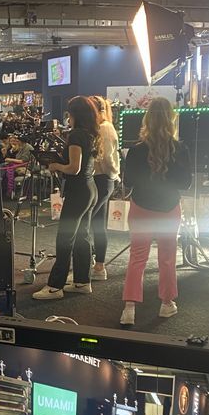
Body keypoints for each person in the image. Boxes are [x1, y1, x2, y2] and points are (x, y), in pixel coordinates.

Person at [120, 97, 192, 326]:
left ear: (147, 119)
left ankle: (129, 308)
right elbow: (185, 183)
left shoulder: (136, 150)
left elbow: (128, 182)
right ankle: (166, 303)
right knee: (167, 258)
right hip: (169, 209)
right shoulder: (180, 149)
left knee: (137, 258)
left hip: (141, 208)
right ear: (171, 119)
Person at [33, 96, 100, 301]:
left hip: (78, 191)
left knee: (65, 238)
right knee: (82, 236)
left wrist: (56, 166)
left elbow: (73, 168)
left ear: (74, 114)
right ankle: (82, 281)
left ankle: (55, 286)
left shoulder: (76, 135)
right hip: (89, 189)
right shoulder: (90, 133)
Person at [89, 96, 120, 281]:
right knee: (98, 224)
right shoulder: (102, 127)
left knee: (88, 222)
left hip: (102, 179)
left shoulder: (104, 127)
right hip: (102, 178)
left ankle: (95, 264)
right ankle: (99, 266)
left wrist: (113, 175)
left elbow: (108, 158)